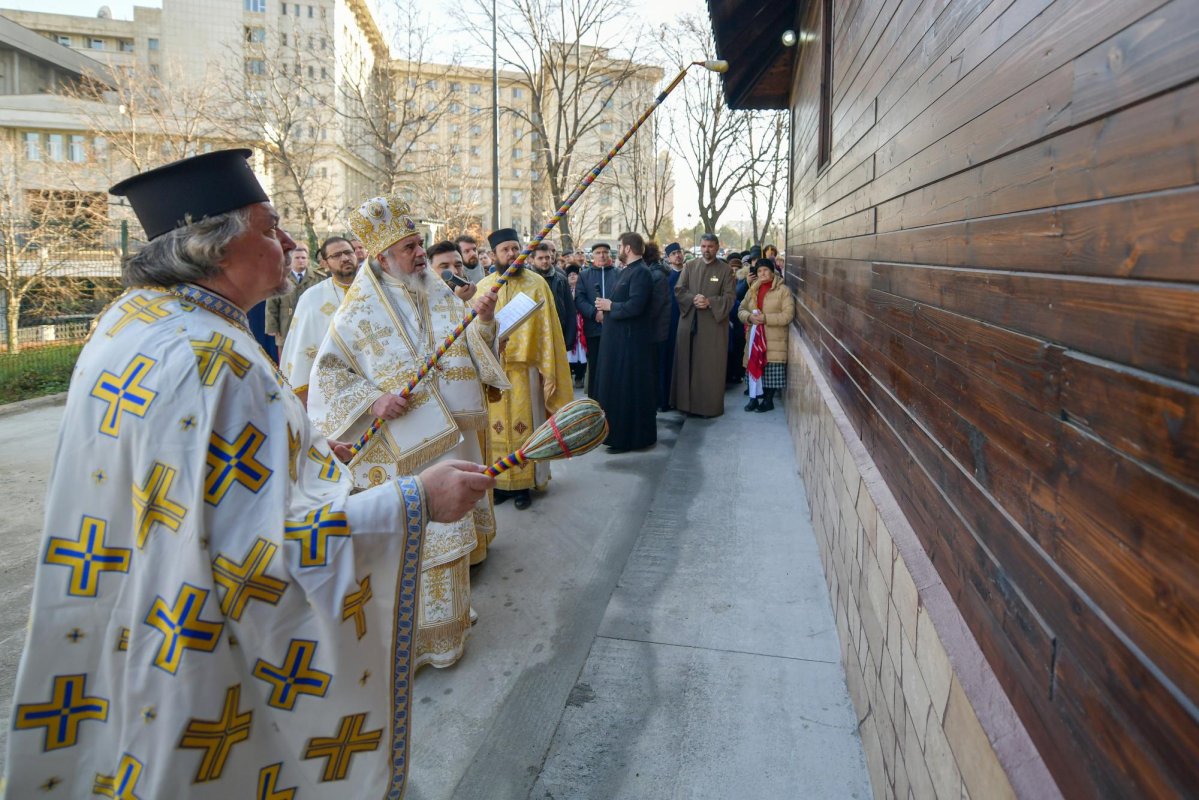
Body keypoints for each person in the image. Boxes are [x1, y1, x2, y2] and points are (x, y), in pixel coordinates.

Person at [3, 150, 492, 798]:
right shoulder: (209, 359)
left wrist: (309, 453)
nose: (289, 244)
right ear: (213, 249)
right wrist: (414, 501)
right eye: (270, 228)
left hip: (138, 618)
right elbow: (254, 560)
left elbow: (208, 492)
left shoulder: (135, 322)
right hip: (203, 656)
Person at [308, 196, 509, 671]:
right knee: (416, 542)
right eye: (410, 248)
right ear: (382, 258)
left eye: (420, 244)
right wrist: (373, 399)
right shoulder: (355, 314)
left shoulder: (436, 292)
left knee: (451, 535)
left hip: (453, 436)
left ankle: (450, 624)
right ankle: (415, 640)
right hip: (403, 449)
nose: (421, 254)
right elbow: (328, 377)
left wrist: (483, 321)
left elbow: (470, 349)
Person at [477, 228, 572, 510]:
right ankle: (499, 483)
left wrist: (547, 367)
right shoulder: (484, 288)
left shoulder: (536, 284)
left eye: (515, 248)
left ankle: (524, 485)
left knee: (526, 426)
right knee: (494, 428)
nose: (512, 254)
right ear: (494, 255)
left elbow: (549, 331)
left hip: (527, 370)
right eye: (505, 250)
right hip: (494, 371)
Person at [594, 232, 657, 452]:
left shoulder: (641, 272)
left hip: (629, 345)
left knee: (627, 391)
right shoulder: (628, 270)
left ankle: (628, 439)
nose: (618, 250)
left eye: (620, 246)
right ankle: (617, 436)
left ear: (628, 248)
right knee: (618, 389)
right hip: (619, 342)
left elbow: (636, 306)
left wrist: (610, 306)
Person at [279, 235, 359, 405]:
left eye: (348, 252)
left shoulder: (374, 289)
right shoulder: (311, 298)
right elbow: (301, 347)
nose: (345, 258)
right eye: (336, 255)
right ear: (324, 263)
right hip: (331, 385)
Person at [672, 233, 736, 417]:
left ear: (717, 247)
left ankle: (708, 408)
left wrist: (709, 302)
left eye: (710, 246)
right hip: (689, 323)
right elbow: (679, 290)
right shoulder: (690, 266)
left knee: (709, 367)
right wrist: (693, 299)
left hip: (712, 327)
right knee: (687, 363)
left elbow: (730, 298)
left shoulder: (725, 270)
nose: (706, 250)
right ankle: (685, 405)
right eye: (703, 246)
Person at [739, 257, 794, 412]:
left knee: (770, 371)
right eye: (759, 271)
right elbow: (741, 309)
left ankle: (768, 401)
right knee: (754, 368)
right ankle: (753, 399)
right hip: (754, 337)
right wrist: (749, 317)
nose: (762, 273)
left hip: (773, 339)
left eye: (765, 270)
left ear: (772, 272)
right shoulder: (753, 289)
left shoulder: (783, 291)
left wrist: (765, 318)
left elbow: (788, 315)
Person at [573, 241, 616, 398]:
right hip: (593, 329)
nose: (602, 255)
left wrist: (611, 313)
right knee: (595, 366)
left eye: (605, 252)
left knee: (613, 365)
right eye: (598, 252)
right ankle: (594, 400)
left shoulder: (618, 273)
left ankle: (613, 398)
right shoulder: (585, 275)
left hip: (614, 328)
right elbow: (579, 299)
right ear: (592, 256)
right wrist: (594, 314)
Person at [265, 240, 322, 351]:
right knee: (286, 356)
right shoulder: (280, 277)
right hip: (286, 325)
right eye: (297, 258)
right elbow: (271, 305)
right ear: (291, 259)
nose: (301, 260)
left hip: (311, 325)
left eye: (303, 258)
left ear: (308, 260)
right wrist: (272, 327)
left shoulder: (318, 278)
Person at [530, 241, 575, 355]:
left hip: (557, 333)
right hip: (533, 335)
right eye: (540, 258)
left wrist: (569, 339)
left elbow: (570, 309)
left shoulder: (561, 279)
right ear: (532, 259)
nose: (545, 261)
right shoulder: (526, 280)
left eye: (547, 257)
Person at [658, 242, 684, 411]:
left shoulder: (690, 274)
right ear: (668, 258)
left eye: (679, 252)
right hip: (668, 325)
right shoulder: (665, 277)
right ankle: (665, 400)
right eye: (673, 253)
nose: (677, 256)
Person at [564, 264, 587, 388]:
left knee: (581, 352)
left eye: (575, 274)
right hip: (570, 325)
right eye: (570, 275)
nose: (572, 276)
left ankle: (579, 376)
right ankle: (568, 377)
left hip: (582, 324)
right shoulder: (565, 290)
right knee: (569, 352)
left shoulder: (583, 289)